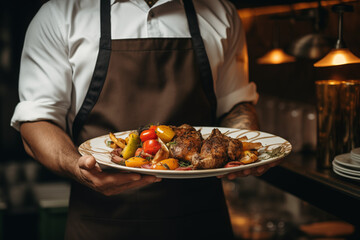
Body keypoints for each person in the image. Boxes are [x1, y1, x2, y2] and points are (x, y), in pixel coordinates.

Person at [11, 0, 280, 239]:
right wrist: (77, 167)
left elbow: (235, 104)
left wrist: (246, 152)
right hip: (100, 224)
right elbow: (36, 122)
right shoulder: (60, 14)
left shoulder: (221, 12)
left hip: (202, 222)